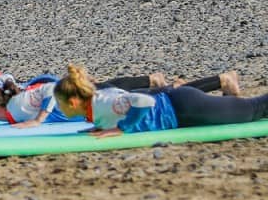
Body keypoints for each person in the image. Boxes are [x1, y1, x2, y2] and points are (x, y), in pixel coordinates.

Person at [53, 65, 268, 137]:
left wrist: (121, 129)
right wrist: (100, 127)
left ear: (73, 102)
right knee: (240, 110)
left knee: (254, 110)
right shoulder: (96, 102)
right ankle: (228, 101)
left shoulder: (103, 102)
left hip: (183, 109)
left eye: (60, 104)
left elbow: (143, 101)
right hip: (181, 107)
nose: (59, 108)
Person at [0, 71, 240, 127]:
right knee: (165, 94)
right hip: (97, 103)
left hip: (101, 100)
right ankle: (217, 81)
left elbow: (50, 88)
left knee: (165, 97)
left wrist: (40, 119)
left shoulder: (17, 108)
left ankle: (222, 80)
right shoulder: (11, 111)